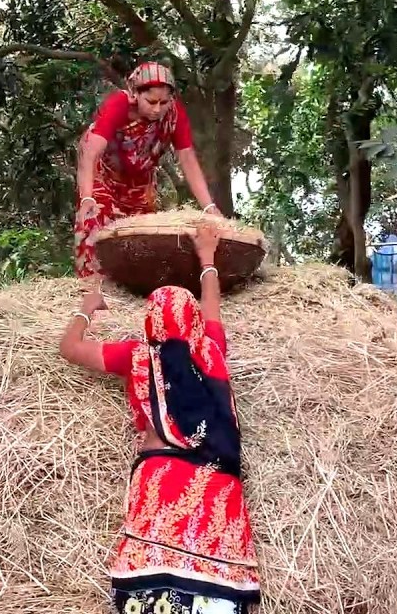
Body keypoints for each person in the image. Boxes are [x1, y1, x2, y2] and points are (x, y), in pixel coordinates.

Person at [59, 223, 259, 614]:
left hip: (161, 478)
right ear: (195, 323)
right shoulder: (211, 351)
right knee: (213, 589)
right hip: (216, 482)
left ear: (150, 321)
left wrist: (86, 309)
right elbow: (212, 307)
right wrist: (207, 258)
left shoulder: (137, 355)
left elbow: (69, 348)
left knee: (151, 581)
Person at [74, 62, 223, 279]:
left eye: (164, 102)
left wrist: (209, 206)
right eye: (151, 101)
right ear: (135, 93)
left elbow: (187, 158)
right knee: (94, 227)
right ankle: (93, 289)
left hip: (140, 183)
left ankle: (131, 285)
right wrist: (87, 196)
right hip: (104, 177)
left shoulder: (174, 114)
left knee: (142, 237)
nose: (157, 109)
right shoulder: (118, 105)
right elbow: (90, 151)